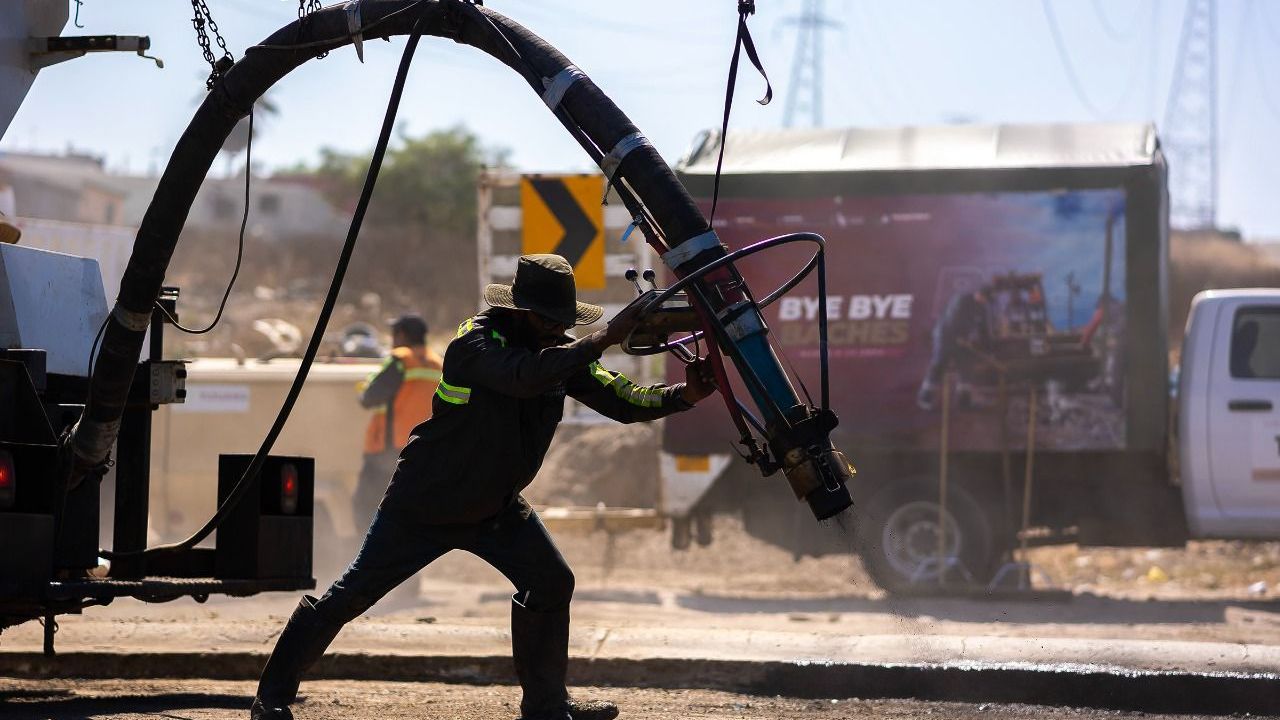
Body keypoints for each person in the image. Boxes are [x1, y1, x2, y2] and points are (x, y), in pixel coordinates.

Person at [251, 254, 717, 720]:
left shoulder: (559, 355)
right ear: (520, 311)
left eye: (564, 324)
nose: (558, 330)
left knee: (552, 583)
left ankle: (547, 708)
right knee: (352, 594)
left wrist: (685, 397)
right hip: (424, 505)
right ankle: (270, 698)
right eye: (550, 322)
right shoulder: (474, 341)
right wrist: (605, 338)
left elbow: (622, 399)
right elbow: (521, 376)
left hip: (494, 509)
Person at [353, 314, 443, 529]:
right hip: (421, 451)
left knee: (365, 506)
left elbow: (369, 397)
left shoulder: (401, 360)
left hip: (387, 451)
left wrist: (362, 390)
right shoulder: (437, 364)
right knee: (405, 510)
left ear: (402, 335)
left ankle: (365, 555)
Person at [917, 285, 992, 411]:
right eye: (984, 298)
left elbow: (983, 329)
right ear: (979, 294)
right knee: (939, 365)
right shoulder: (961, 300)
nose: (984, 302)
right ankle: (925, 399)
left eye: (986, 301)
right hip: (944, 337)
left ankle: (964, 401)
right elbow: (952, 320)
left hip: (962, 341)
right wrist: (960, 337)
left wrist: (987, 346)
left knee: (966, 366)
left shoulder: (982, 308)